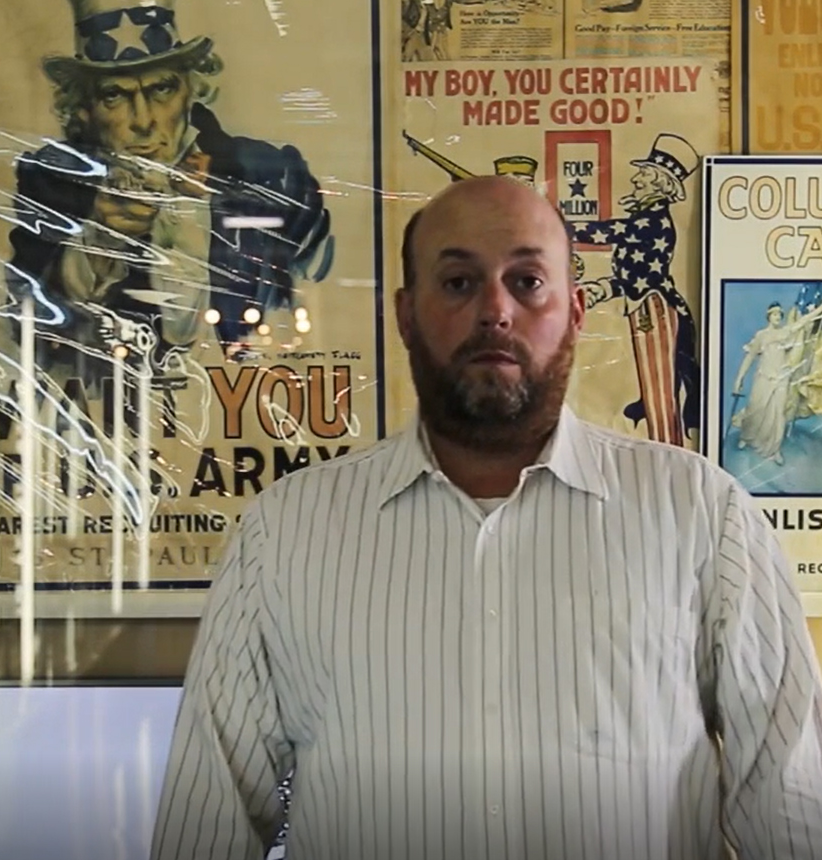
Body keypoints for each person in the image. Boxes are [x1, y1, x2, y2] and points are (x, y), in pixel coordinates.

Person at [151, 176, 822, 860]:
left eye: (528, 281)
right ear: (406, 315)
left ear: (577, 310)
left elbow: (792, 803)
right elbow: (209, 821)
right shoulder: (287, 534)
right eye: (458, 282)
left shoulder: (702, 516)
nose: (496, 310)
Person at [6, 0, 334, 388]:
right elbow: (27, 331)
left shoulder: (274, 175)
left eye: (162, 89)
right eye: (114, 95)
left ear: (192, 89)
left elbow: (321, 301)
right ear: (84, 109)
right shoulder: (52, 183)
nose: (143, 121)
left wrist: (207, 205)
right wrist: (94, 246)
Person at [570, 132, 700, 448]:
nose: (637, 178)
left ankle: (668, 453)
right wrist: (604, 288)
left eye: (645, 173)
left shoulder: (651, 223)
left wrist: (548, 222)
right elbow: (634, 274)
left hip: (653, 309)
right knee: (653, 385)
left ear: (660, 182)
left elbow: (606, 233)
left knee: (658, 390)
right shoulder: (645, 219)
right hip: (644, 305)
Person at [731, 300, 822, 464]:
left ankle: (774, 449)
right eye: (774, 314)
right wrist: (739, 379)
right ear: (768, 316)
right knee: (755, 409)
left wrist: (819, 310)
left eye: (780, 314)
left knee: (778, 414)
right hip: (763, 377)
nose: (778, 317)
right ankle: (747, 437)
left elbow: (804, 321)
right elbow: (749, 357)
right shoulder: (761, 336)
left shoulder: (786, 332)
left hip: (781, 379)